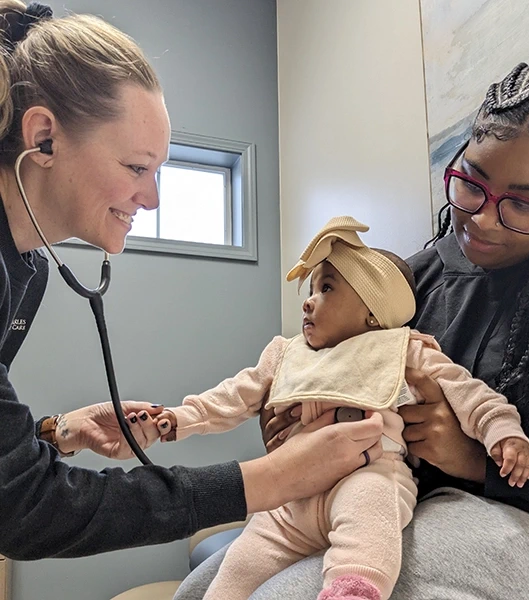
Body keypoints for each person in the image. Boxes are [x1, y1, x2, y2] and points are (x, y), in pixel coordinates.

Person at [175, 61, 529, 600]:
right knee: (200, 589)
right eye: (471, 184)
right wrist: (302, 415)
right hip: (398, 492)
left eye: (521, 203)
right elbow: (333, 366)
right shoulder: (415, 278)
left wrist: (475, 458)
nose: (484, 219)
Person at [0, 1, 385, 562]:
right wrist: (271, 478)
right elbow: (28, 510)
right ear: (43, 139)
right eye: (137, 168)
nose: (152, 199)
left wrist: (55, 432)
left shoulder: (24, 270)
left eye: (157, 172)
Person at [155, 215, 529, 600]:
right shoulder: (286, 354)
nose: (308, 300)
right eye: (312, 287)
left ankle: (352, 592)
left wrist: (504, 434)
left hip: (369, 472)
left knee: (370, 524)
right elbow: (231, 397)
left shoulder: (404, 351)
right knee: (238, 567)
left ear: (372, 313)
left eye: (327, 288)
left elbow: (471, 394)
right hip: (292, 491)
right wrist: (177, 419)